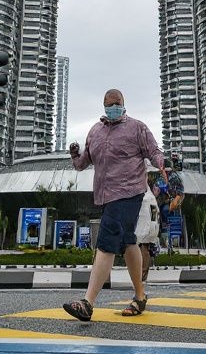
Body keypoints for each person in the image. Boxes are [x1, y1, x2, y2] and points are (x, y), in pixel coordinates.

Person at [62, 88, 168, 321]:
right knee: (128, 242)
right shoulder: (95, 132)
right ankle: (140, 297)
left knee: (108, 238)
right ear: (104, 105)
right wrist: (74, 155)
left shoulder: (136, 128)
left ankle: (87, 302)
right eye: (109, 104)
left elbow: (153, 151)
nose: (113, 106)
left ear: (123, 103)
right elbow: (82, 164)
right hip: (106, 195)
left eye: (116, 102)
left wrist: (163, 162)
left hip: (130, 191)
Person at [134, 175, 161, 283]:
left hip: (145, 227)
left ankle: (142, 274)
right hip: (151, 227)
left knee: (143, 248)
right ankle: (142, 274)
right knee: (145, 248)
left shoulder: (145, 197)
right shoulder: (150, 197)